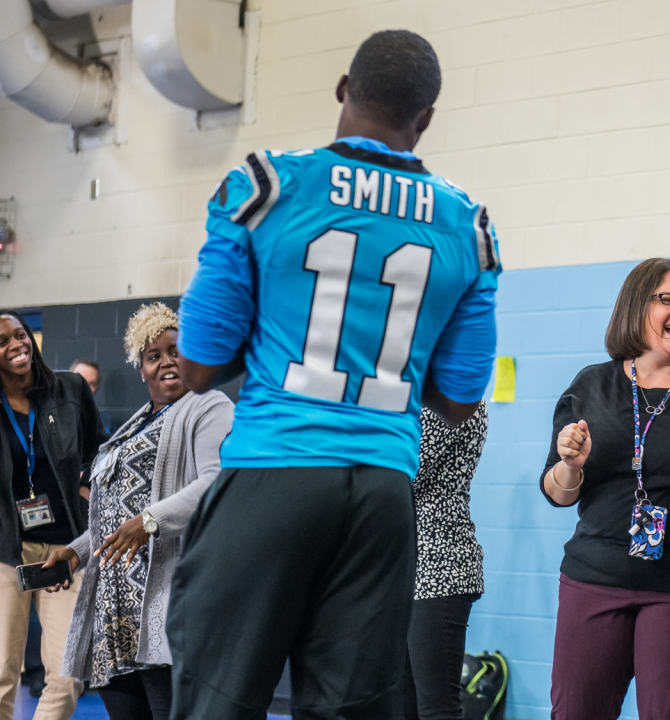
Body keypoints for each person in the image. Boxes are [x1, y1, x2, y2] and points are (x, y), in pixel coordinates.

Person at [171, 29, 500, 719]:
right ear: (426, 119)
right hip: (382, 492)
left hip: (274, 470)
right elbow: (461, 398)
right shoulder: (468, 225)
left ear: (344, 89)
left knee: (218, 697)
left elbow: (198, 365)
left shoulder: (266, 186)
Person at [542, 258, 670, 720]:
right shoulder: (592, 384)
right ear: (636, 308)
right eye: (668, 299)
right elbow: (558, 491)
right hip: (594, 577)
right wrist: (571, 466)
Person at [44, 303, 233, 720]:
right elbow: (114, 514)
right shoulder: (136, 423)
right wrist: (75, 553)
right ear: (141, 368)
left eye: (176, 351)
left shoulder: (208, 406)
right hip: (116, 620)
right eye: (154, 356)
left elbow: (214, 483)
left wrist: (150, 522)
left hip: (167, 611)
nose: (167, 362)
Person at [0, 312, 105, 720]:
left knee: (67, 672)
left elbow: (101, 452)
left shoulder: (71, 389)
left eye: (20, 335)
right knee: (4, 674)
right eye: (3, 340)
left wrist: (84, 493)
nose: (16, 344)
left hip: (64, 550)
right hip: (8, 550)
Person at [402, 402, 488, 720]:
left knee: (437, 708)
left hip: (439, 563)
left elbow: (407, 472)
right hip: (406, 563)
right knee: (400, 705)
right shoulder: (413, 396)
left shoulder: (454, 398)